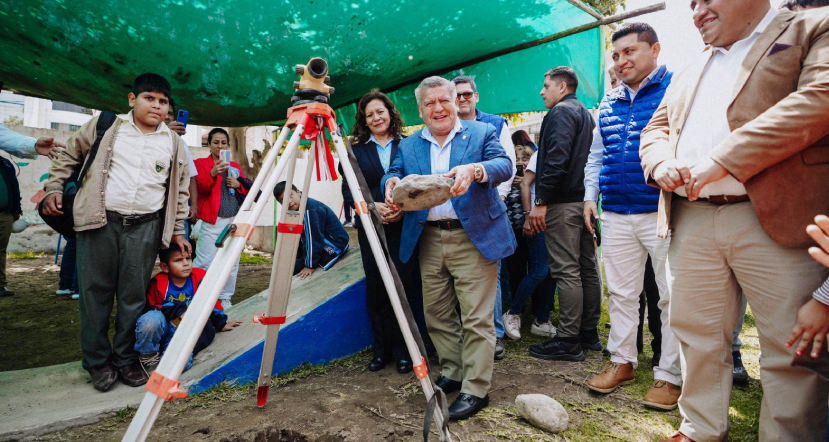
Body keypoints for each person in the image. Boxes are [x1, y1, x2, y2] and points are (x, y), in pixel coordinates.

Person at [639, 1, 829, 440]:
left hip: (777, 220)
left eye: (706, 0)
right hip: (693, 217)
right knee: (696, 336)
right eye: (691, 5)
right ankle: (700, 429)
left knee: (792, 349)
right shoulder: (690, 66)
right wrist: (661, 162)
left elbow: (818, 100)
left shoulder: (812, 27)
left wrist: (723, 160)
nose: (696, 12)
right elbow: (656, 128)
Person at [42, 73, 191, 392]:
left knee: (133, 297)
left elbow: (180, 192)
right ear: (131, 99)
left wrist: (177, 230)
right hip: (100, 223)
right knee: (94, 294)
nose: (157, 106)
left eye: (163, 102)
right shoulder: (106, 126)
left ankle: (125, 358)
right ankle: (97, 362)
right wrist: (54, 187)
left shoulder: (173, 142)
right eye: (149, 98)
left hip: (146, 227)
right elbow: (69, 157)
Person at [381, 76, 514, 420]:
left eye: (444, 100)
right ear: (420, 110)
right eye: (430, 103)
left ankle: (476, 389)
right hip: (429, 237)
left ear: (456, 102)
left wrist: (475, 169)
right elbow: (394, 172)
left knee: (476, 318)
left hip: (474, 237)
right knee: (436, 314)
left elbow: (504, 165)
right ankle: (454, 370)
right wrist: (390, 183)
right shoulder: (409, 145)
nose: (438, 108)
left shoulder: (482, 133)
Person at [581, 23, 681, 411]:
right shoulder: (608, 102)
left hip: (663, 212)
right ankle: (622, 361)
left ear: (654, 49)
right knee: (622, 294)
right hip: (616, 212)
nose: (621, 61)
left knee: (670, 298)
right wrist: (592, 197)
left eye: (629, 52)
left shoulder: (677, 89)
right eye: (616, 55)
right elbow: (596, 156)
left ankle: (669, 375)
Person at [340, 90, 418, 373]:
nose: (376, 117)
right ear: (364, 120)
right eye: (369, 114)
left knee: (406, 288)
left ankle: (405, 351)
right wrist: (372, 207)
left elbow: (419, 183)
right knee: (377, 288)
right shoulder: (354, 151)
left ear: (390, 113)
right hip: (371, 227)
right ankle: (380, 350)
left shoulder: (410, 145)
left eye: (380, 111)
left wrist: (402, 208)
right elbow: (349, 190)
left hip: (405, 225)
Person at [526, 67, 601, 362]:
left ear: (562, 86)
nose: (542, 92)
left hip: (563, 204)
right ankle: (588, 334)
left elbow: (556, 158)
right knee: (587, 268)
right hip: (584, 202)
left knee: (566, 271)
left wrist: (541, 199)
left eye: (546, 86)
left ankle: (568, 340)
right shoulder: (584, 112)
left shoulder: (559, 113)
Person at [452, 75, 516, 361]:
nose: (462, 99)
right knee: (462, 279)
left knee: (492, 276)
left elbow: (508, 165)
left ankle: (496, 334)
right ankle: (471, 336)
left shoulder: (496, 124)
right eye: (457, 95)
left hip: (487, 212)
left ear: (476, 96)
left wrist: (499, 198)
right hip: (455, 216)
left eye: (467, 94)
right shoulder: (446, 127)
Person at [135, 243, 242, 376]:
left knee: (179, 365)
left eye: (188, 258)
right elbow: (151, 308)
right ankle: (148, 357)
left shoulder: (200, 277)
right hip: (163, 329)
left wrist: (221, 323)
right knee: (150, 321)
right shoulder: (158, 283)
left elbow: (211, 303)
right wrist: (179, 310)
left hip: (186, 334)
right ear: (165, 267)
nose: (186, 263)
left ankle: (164, 363)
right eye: (178, 260)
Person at [0, 123, 65, 298]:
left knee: (0, 249)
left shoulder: (5, 164)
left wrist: (15, 211)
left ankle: (0, 285)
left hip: (4, 213)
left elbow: (14, 188)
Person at [503, 147, 556, 340]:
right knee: (539, 270)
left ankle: (541, 320)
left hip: (550, 220)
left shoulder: (552, 155)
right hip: (530, 223)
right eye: (518, 159)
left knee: (549, 271)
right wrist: (527, 217)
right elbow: (526, 185)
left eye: (524, 158)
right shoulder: (537, 158)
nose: (521, 162)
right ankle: (513, 312)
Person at [193, 128, 250, 309]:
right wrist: (212, 173)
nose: (219, 146)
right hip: (212, 220)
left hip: (234, 219)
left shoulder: (235, 165)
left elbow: (245, 190)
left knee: (231, 261)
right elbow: (199, 188)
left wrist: (238, 184)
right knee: (204, 260)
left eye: (223, 143)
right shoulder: (201, 163)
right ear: (209, 144)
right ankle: (197, 294)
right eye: (216, 142)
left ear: (228, 145)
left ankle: (225, 297)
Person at [274, 182, 349, 279]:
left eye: (290, 195)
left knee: (295, 267)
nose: (288, 201)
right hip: (323, 239)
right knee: (288, 264)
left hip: (336, 243)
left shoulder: (310, 210)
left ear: (298, 192)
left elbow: (313, 239)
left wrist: (310, 265)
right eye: (282, 200)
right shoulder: (298, 209)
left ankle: (309, 262)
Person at [164, 98, 199, 225]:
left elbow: (191, 175)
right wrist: (165, 134)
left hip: (178, 210)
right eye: (165, 112)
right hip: (153, 211)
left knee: (180, 244)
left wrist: (194, 206)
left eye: (171, 113)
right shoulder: (145, 138)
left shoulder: (182, 144)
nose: (167, 117)